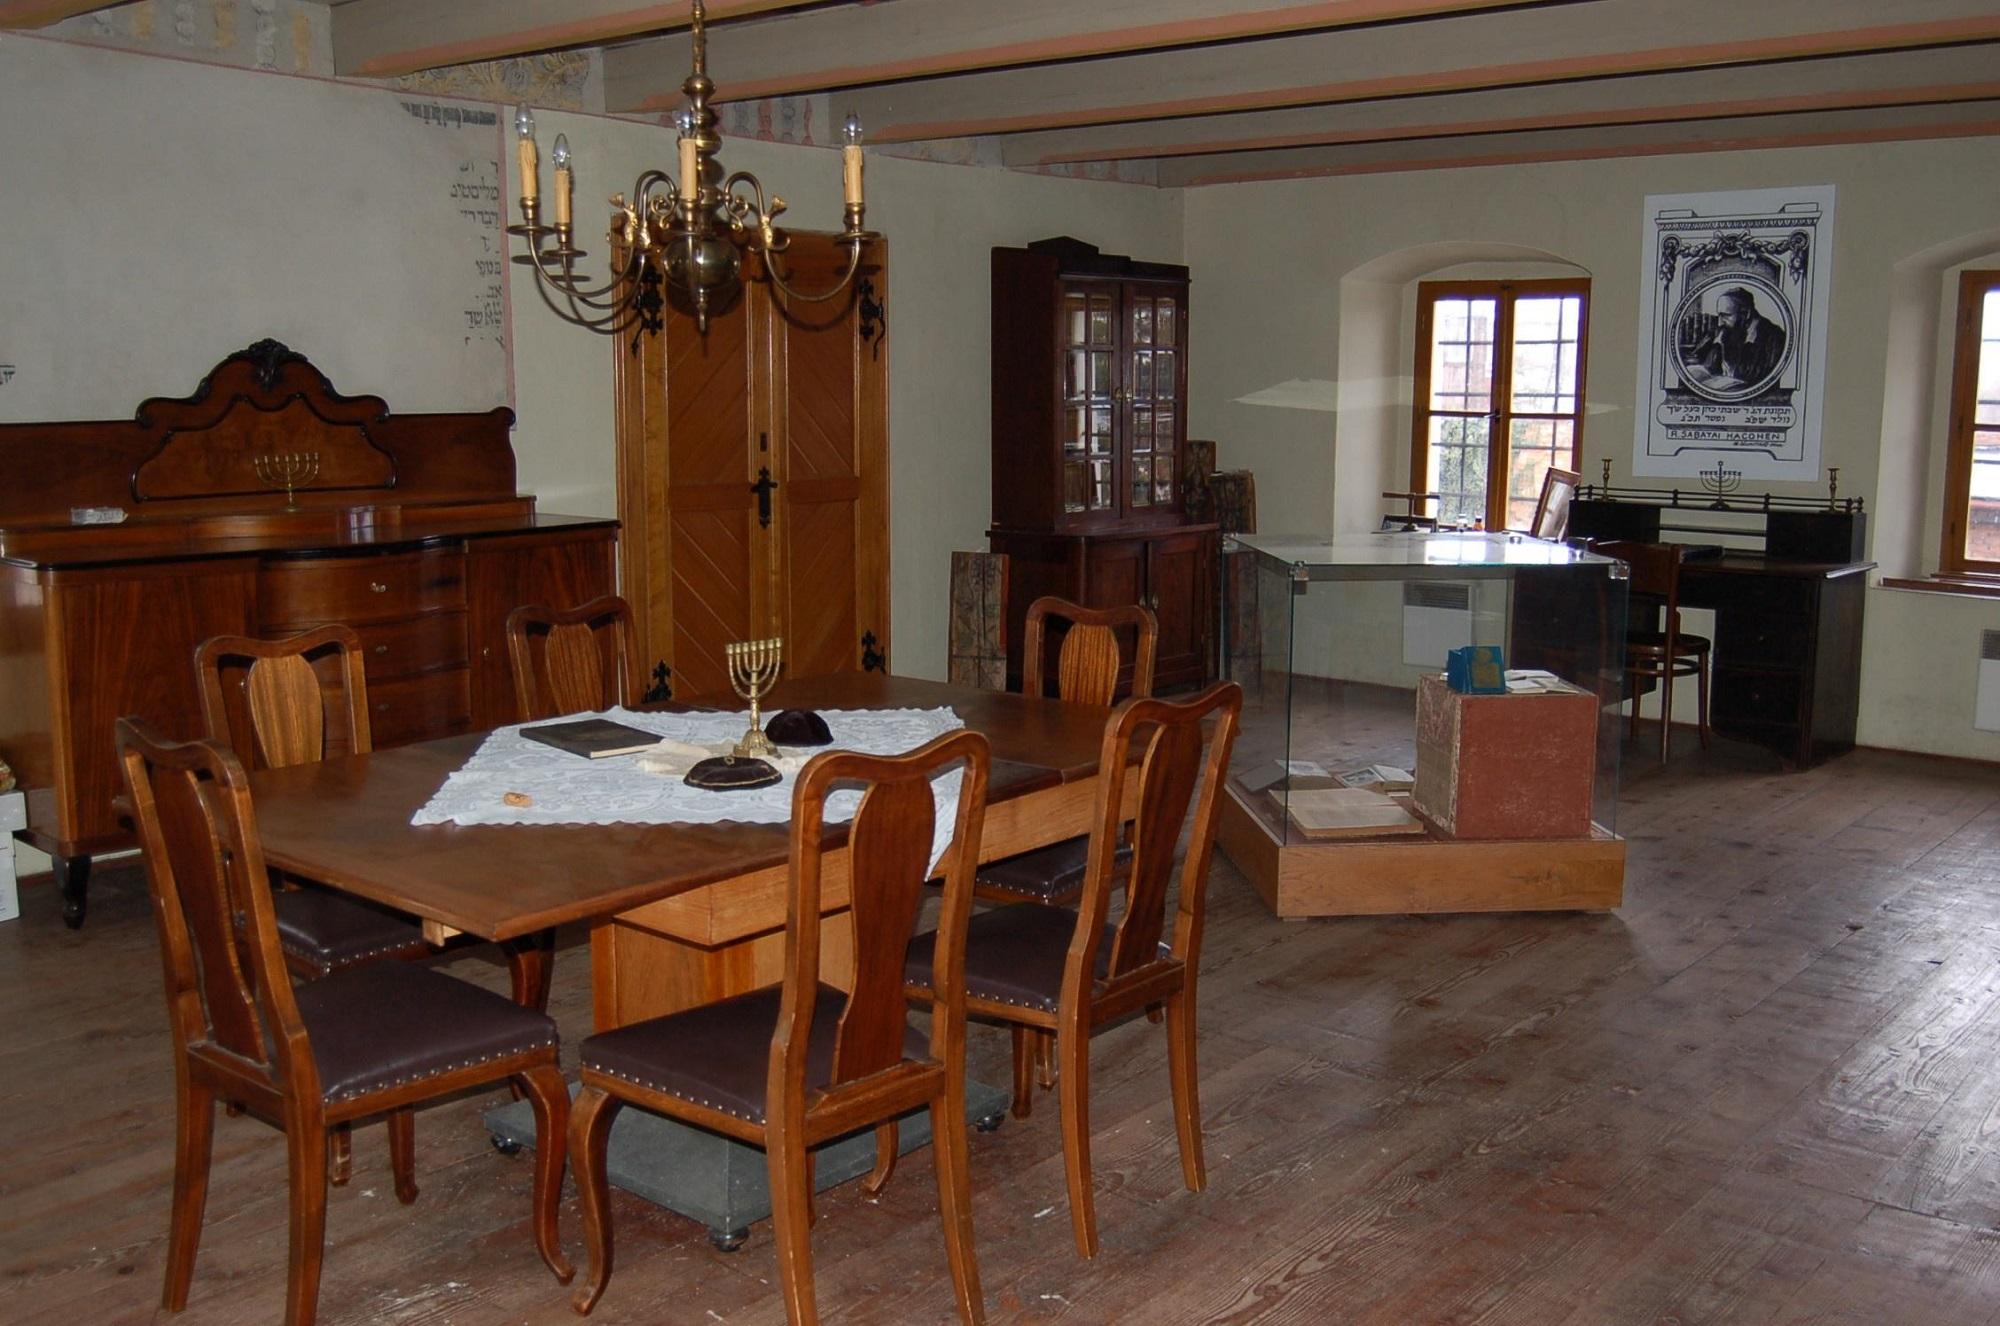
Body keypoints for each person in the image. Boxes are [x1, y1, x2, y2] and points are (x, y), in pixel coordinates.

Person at [1686, 286, 1787, 390]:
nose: (1720, 322)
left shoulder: (1775, 338)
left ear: (1746, 314)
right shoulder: (1722, 330)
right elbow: (1705, 362)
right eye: (1719, 315)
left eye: (1726, 315)